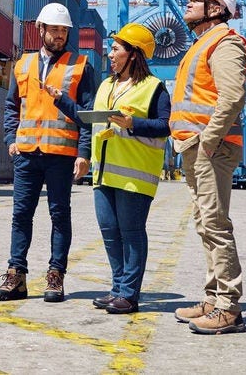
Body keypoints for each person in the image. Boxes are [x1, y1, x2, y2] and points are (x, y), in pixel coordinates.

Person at [0, 2, 97, 303]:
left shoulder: (81, 65)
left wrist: (83, 152)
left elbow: (87, 114)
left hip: (62, 155)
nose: (59, 35)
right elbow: (12, 105)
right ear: (41, 30)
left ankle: (55, 276)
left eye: (64, 31)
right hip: (26, 153)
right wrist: (10, 138)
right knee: (21, 215)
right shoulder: (22, 64)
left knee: (59, 215)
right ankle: (17, 276)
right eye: (54, 30)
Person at [169, 0, 246, 335]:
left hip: (210, 148)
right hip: (197, 147)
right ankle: (214, 297)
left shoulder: (225, 42)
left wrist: (208, 141)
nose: (186, 5)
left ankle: (229, 308)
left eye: (194, 0)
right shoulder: (202, 44)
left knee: (216, 226)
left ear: (215, 8)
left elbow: (232, 97)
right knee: (205, 225)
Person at [87, 23, 171, 315]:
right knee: (110, 232)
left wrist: (133, 124)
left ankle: (129, 294)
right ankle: (117, 289)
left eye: (116, 49)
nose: (110, 54)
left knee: (131, 232)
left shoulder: (154, 88)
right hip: (103, 172)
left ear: (133, 54)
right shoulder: (106, 85)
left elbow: (165, 126)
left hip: (134, 176)